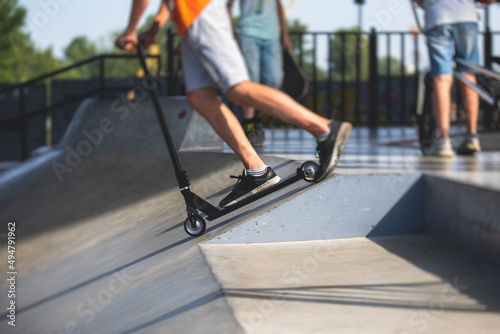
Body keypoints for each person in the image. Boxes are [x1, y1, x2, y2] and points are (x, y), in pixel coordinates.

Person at [116, 0, 351, 207]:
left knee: (238, 89)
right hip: (187, 20)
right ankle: (256, 170)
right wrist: (153, 29)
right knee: (199, 95)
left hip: (199, 11)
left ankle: (323, 128)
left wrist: (131, 29)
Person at [413, 0, 491, 157]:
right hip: (466, 16)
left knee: (442, 78)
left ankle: (443, 141)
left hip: (438, 16)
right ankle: (471, 135)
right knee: (468, 75)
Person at [227, 0, 292, 147]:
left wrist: (285, 34)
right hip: (247, 32)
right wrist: (229, 35)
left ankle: (256, 114)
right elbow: (229, 5)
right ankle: (250, 124)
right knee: (251, 80)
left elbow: (278, 6)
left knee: (275, 79)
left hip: (272, 35)